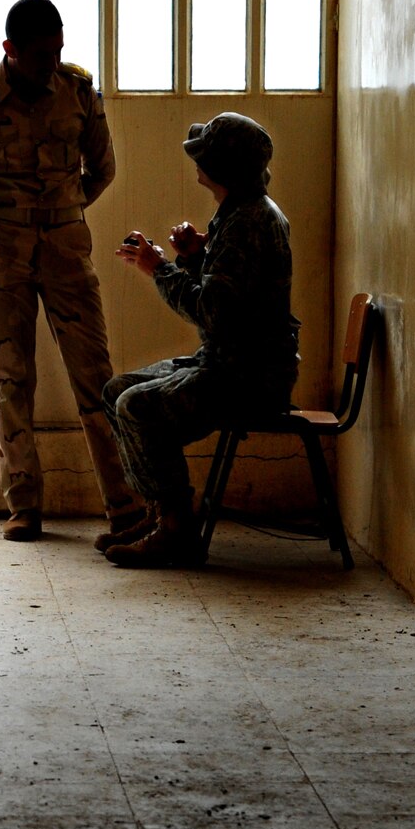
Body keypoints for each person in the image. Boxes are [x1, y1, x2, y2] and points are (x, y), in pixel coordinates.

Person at [0, 0, 145, 544]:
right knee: (12, 377)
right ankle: (23, 505)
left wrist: (64, 211)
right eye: (42, 54)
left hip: (66, 248)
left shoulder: (77, 91)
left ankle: (124, 505)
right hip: (4, 252)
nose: (53, 61)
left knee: (97, 378)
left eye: (59, 50)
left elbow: (104, 168)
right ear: (10, 50)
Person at [102, 112, 299, 568]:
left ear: (222, 169)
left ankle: (176, 529)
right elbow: (230, 301)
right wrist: (195, 258)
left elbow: (212, 312)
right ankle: (160, 513)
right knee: (116, 392)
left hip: (248, 377)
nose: (197, 162)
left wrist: (160, 269)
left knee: (137, 406)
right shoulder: (241, 212)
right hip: (235, 363)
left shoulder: (248, 223)